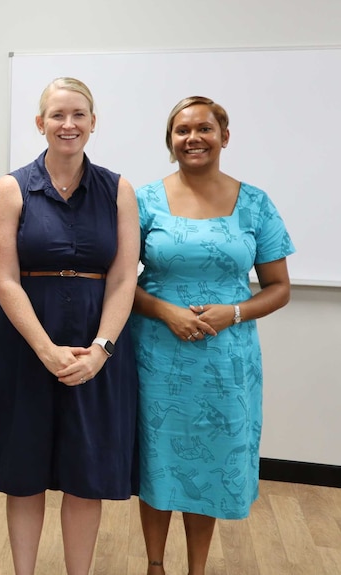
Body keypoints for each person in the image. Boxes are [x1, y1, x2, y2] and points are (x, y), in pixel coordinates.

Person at [0, 77, 140, 575]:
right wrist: (44, 349)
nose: (69, 124)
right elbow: (5, 278)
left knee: (87, 473)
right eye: (58, 115)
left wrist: (102, 348)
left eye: (79, 115)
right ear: (40, 124)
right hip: (24, 346)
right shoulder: (12, 187)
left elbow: (125, 275)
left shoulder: (118, 189)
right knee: (25, 471)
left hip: (95, 349)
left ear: (92, 123)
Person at [131, 96, 294, 575]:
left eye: (204, 128)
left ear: (225, 135)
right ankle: (155, 565)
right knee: (158, 456)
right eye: (182, 130)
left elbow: (279, 287)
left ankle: (196, 569)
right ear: (170, 141)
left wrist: (235, 312)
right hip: (157, 354)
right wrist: (165, 311)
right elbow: (119, 283)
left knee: (209, 461)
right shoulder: (143, 200)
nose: (193, 138)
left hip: (225, 361)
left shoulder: (256, 203)